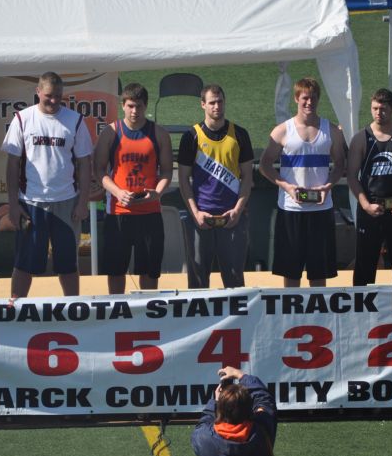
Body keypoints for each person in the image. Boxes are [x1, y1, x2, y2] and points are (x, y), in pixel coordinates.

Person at [1, 72, 92, 297]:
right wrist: (13, 205)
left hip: (66, 204)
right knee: (24, 264)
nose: (53, 101)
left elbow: (85, 164)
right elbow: (12, 165)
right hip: (32, 202)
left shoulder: (74, 120)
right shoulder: (22, 119)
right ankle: (16, 308)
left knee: (68, 265)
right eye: (49, 96)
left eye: (58, 96)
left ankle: (73, 308)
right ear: (38, 92)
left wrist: (83, 202)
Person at [258, 77, 346, 287]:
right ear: (297, 98)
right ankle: (292, 319)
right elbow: (264, 165)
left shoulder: (331, 130)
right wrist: (286, 186)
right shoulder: (281, 131)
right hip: (291, 210)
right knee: (291, 273)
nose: (309, 103)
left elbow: (340, 164)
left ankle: (318, 318)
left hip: (321, 209)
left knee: (319, 274)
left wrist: (328, 185)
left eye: (313, 98)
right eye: (305, 98)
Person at [93, 83, 172, 294]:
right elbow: (99, 170)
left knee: (149, 272)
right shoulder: (111, 132)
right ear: (122, 106)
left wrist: (158, 192)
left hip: (149, 212)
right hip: (119, 212)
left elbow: (166, 172)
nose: (134, 111)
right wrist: (117, 192)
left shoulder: (159, 133)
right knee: (116, 270)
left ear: (146, 106)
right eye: (130, 106)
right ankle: (118, 312)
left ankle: (147, 313)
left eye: (138, 106)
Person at [178, 84, 254, 289]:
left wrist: (237, 211)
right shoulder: (191, 136)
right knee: (198, 282)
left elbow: (248, 177)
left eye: (220, 101)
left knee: (234, 280)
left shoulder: (239, 134)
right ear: (203, 105)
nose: (217, 106)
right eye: (212, 102)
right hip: (201, 218)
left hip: (232, 218)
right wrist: (195, 213)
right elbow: (183, 179)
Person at [347, 88, 392, 286]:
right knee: (365, 265)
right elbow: (352, 176)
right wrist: (365, 204)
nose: (379, 113)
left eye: (383, 109)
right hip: (371, 210)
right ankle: (360, 311)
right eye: (375, 108)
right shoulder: (361, 138)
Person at [191, 366, 277, 456]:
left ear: (220, 411)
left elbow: (206, 419)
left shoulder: (202, 437)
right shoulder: (262, 430)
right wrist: (240, 374)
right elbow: (264, 400)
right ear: (250, 409)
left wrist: (215, 401)